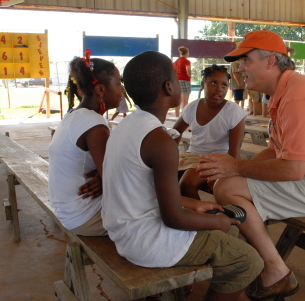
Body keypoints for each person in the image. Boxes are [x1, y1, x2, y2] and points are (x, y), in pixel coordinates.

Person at [196, 29, 305, 299]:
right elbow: (275, 151)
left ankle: (275, 272)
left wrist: (234, 169)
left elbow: (293, 169)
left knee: (227, 189)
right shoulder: (286, 92)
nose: (241, 69)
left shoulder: (298, 96)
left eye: (246, 61)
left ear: (270, 61)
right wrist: (231, 169)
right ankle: (247, 268)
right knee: (231, 187)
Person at [102, 51, 263, 301]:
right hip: (146, 241)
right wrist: (217, 222)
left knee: (229, 233)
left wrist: (195, 204)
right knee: (248, 260)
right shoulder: (160, 141)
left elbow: (146, 194)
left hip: (123, 231)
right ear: (169, 87)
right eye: (177, 81)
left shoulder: (127, 126)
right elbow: (174, 219)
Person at [48, 52, 122, 236]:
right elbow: (116, 182)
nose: (122, 89)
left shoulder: (75, 115)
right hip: (86, 216)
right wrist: (105, 177)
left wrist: (102, 174)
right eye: (119, 83)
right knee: (159, 210)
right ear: (101, 90)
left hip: (69, 212)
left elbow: (106, 172)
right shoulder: (95, 125)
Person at [173, 64, 246, 200]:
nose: (219, 89)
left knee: (186, 184)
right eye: (213, 83)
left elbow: (234, 152)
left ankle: (202, 218)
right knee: (161, 177)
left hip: (217, 160)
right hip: (191, 156)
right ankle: (177, 214)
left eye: (224, 85)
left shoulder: (233, 112)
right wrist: (170, 155)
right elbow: (176, 132)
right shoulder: (192, 107)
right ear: (202, 84)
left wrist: (223, 176)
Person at [173, 46, 192, 117]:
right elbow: (188, 70)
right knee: (185, 101)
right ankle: (184, 117)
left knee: (178, 100)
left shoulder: (175, 62)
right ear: (187, 53)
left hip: (176, 81)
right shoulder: (186, 61)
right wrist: (189, 76)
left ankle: (177, 116)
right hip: (184, 80)